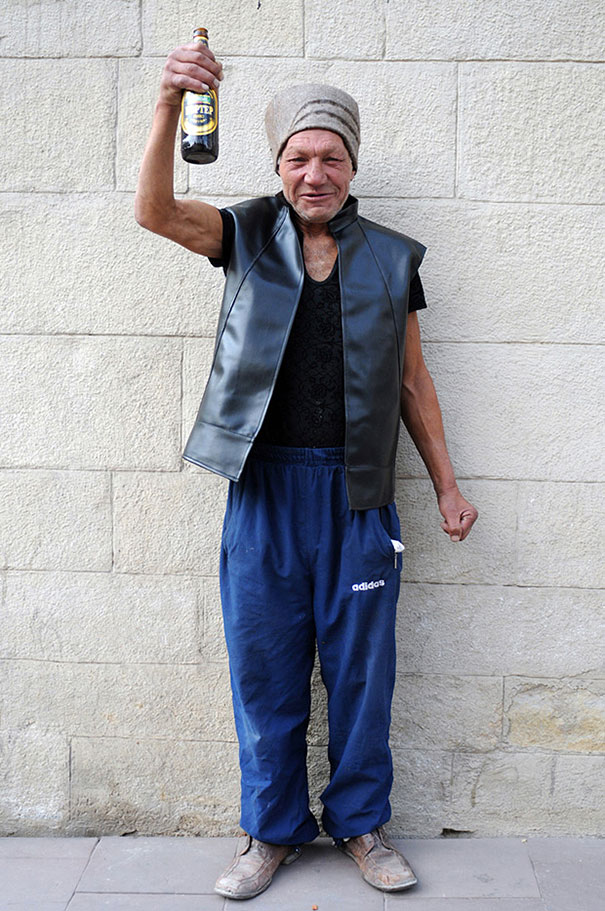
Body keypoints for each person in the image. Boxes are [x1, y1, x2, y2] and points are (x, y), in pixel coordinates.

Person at [135, 37, 478, 902]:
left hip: (358, 493)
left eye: (330, 158)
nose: (314, 173)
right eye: (298, 158)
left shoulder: (392, 257)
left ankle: (361, 823)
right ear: (278, 166)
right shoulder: (244, 232)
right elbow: (154, 210)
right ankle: (270, 830)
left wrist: (445, 484)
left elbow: (412, 381)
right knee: (266, 670)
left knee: (361, 672)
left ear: (351, 165)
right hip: (264, 491)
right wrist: (169, 102)